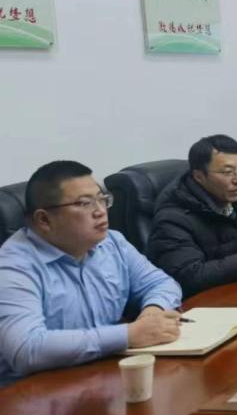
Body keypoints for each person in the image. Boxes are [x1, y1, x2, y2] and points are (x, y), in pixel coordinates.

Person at [0, 161, 182, 385]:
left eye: (102, 199)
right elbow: (27, 349)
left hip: (101, 376)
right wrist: (128, 335)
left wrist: (153, 312)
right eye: (85, 203)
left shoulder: (112, 243)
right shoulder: (13, 267)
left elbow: (161, 283)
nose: (100, 211)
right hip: (34, 392)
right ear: (44, 220)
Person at [147, 135, 237, 299]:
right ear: (199, 176)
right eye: (227, 172)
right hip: (203, 305)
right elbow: (189, 276)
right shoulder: (172, 219)